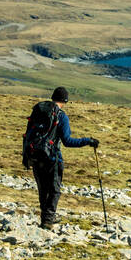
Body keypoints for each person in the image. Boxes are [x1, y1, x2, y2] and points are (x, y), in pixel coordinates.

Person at [23, 86, 98, 230]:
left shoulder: (37, 111)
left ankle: (45, 219)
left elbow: (27, 134)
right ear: (65, 100)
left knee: (43, 190)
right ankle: (48, 220)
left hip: (35, 156)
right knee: (55, 190)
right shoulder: (61, 116)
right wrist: (88, 141)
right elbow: (67, 141)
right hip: (52, 158)